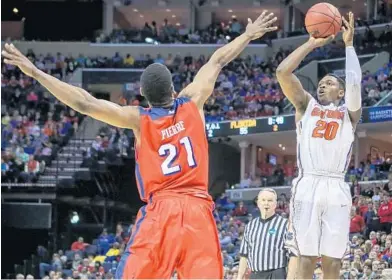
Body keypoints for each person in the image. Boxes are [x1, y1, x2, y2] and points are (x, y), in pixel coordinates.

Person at [2, 11, 277, 279]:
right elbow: (218, 61)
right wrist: (248, 35)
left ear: (143, 95)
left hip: (162, 211)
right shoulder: (193, 100)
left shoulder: (138, 118)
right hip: (198, 211)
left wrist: (36, 72)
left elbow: (84, 102)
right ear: (173, 90)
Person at [276, 12, 362, 280]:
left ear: (341, 92)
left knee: (333, 262)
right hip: (308, 184)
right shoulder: (306, 106)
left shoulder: (349, 114)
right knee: (305, 258)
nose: (323, 85)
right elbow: (282, 72)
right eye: (322, 83)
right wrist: (311, 43)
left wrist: (349, 46)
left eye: (331, 83)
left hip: (336, 186)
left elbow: (356, 82)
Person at [237, 189, 288, 279]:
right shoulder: (250, 225)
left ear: (275, 204)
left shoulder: (285, 224)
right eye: (263, 200)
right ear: (258, 203)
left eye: (270, 200)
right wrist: (239, 277)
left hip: (277, 274)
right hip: (255, 275)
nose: (266, 203)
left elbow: (293, 256)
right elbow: (244, 255)